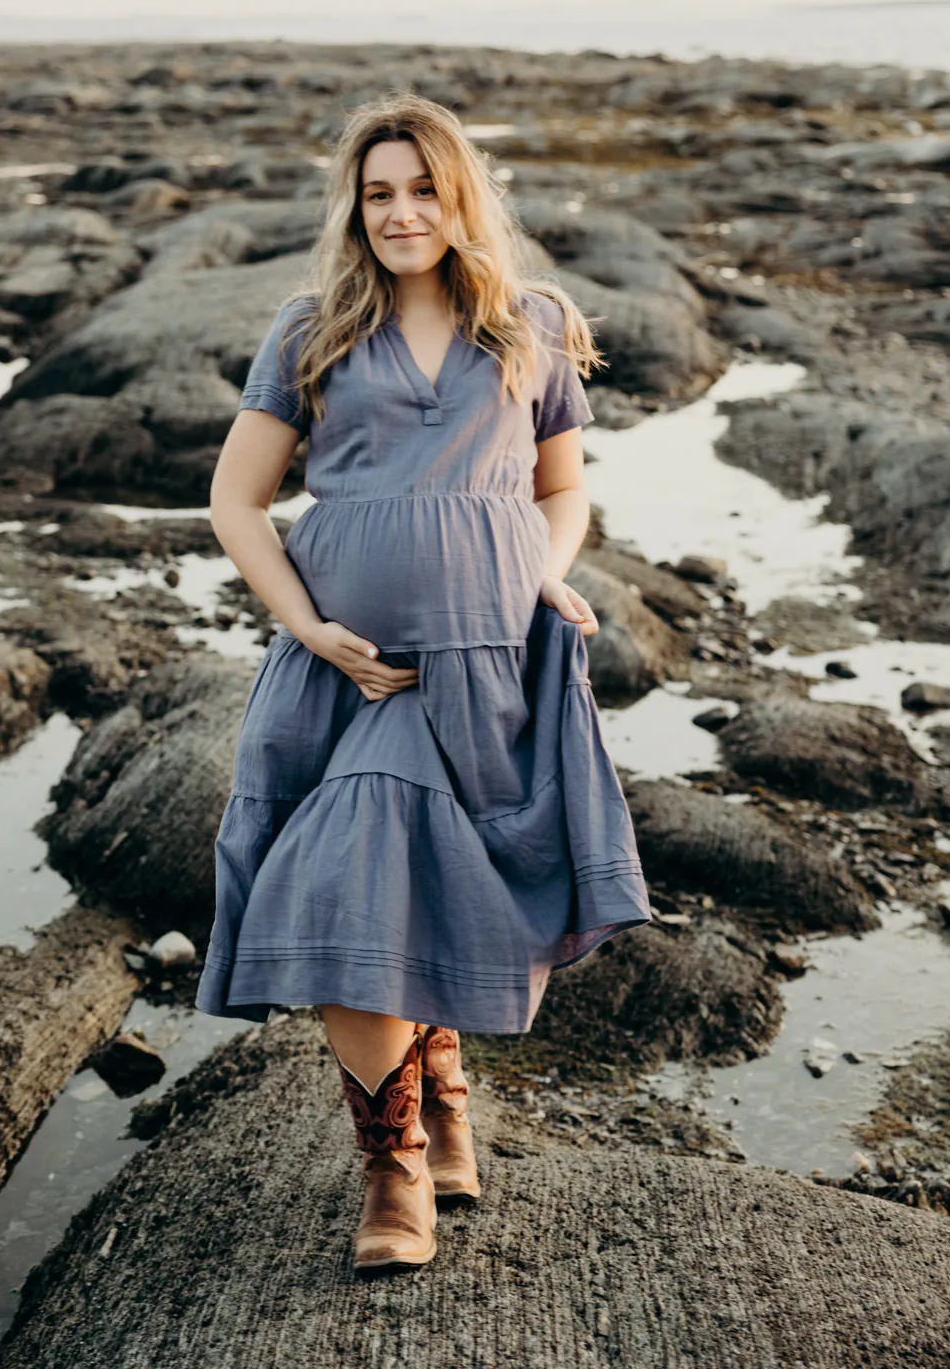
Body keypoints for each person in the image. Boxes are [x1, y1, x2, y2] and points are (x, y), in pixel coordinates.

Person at [195, 94, 652, 1272]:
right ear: (354, 206)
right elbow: (236, 501)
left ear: (461, 197)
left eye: (421, 189)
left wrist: (543, 579)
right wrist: (308, 625)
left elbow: (560, 491)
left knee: (430, 877)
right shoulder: (312, 328)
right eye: (377, 191)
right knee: (350, 880)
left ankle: (441, 1085)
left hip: (485, 652)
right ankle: (395, 1166)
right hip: (352, 674)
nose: (400, 212)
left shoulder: (532, 326)